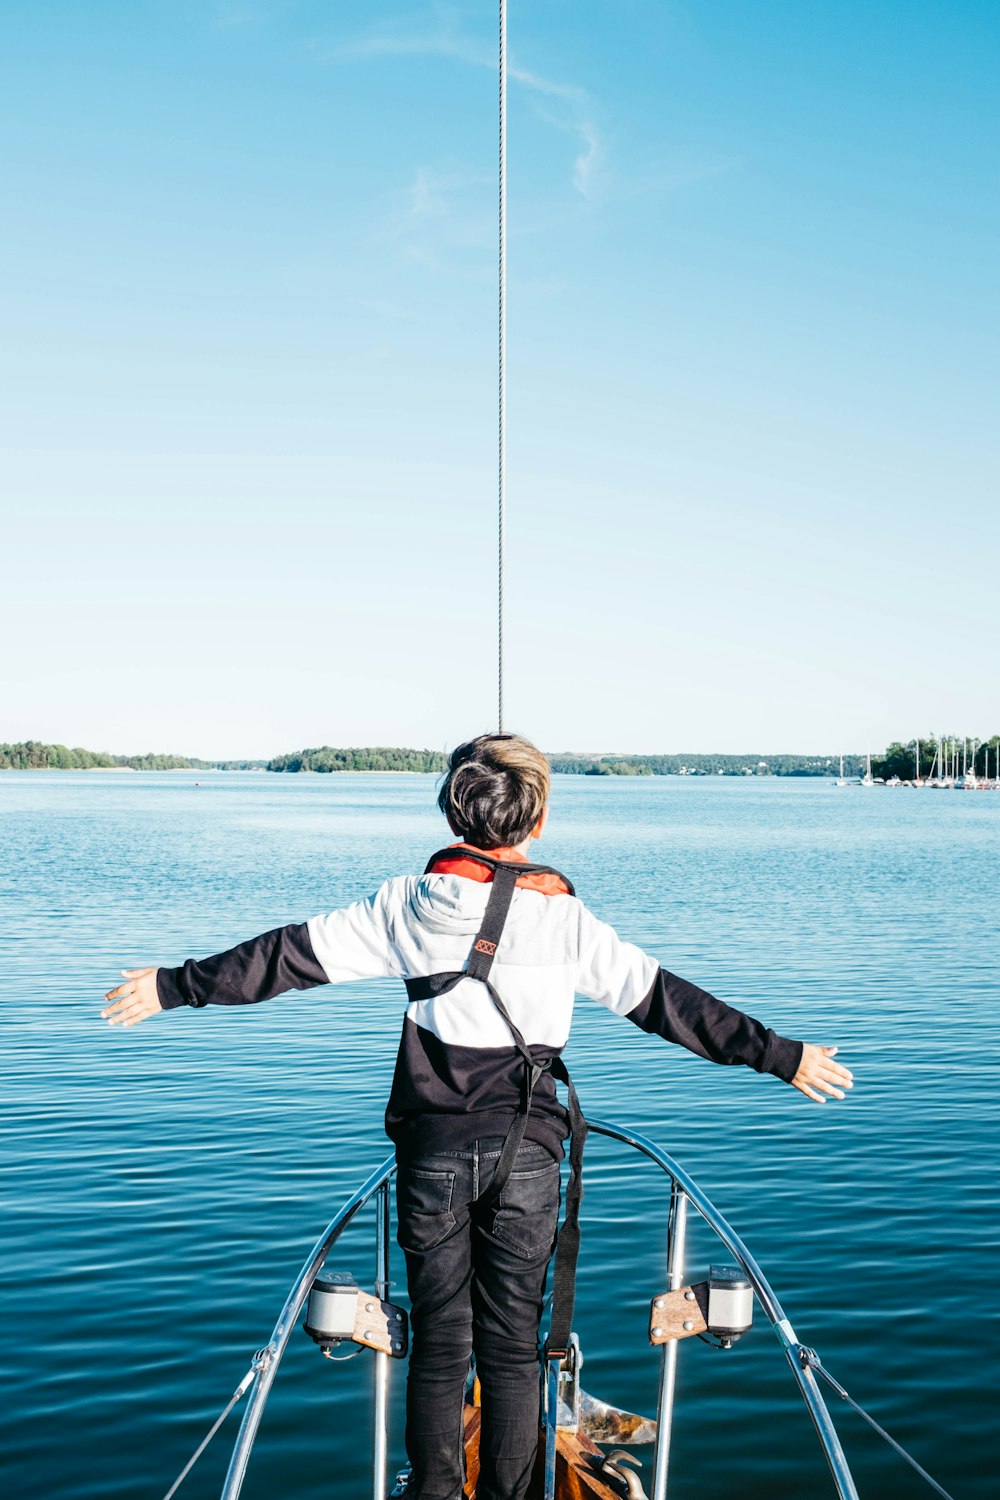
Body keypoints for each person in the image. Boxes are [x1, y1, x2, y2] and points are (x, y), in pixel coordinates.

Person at [102, 732, 853, 1500]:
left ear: (452, 809)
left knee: (439, 1347)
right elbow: (670, 1004)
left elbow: (284, 958)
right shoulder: (568, 923)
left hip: (432, 1156)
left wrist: (171, 986)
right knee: (511, 1351)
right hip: (528, 1157)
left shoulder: (407, 903)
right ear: (538, 817)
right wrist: (781, 1055)